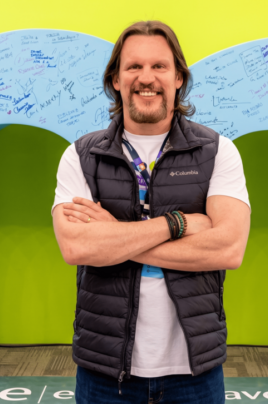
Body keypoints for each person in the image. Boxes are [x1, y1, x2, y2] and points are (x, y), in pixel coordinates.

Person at [52, 20, 251, 403]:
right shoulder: (81, 156)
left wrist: (115, 238)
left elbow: (228, 249)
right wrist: (177, 224)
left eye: (159, 66)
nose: (147, 78)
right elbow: (77, 247)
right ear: (116, 79)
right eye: (134, 66)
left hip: (194, 373)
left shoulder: (217, 152)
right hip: (105, 372)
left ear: (178, 77)